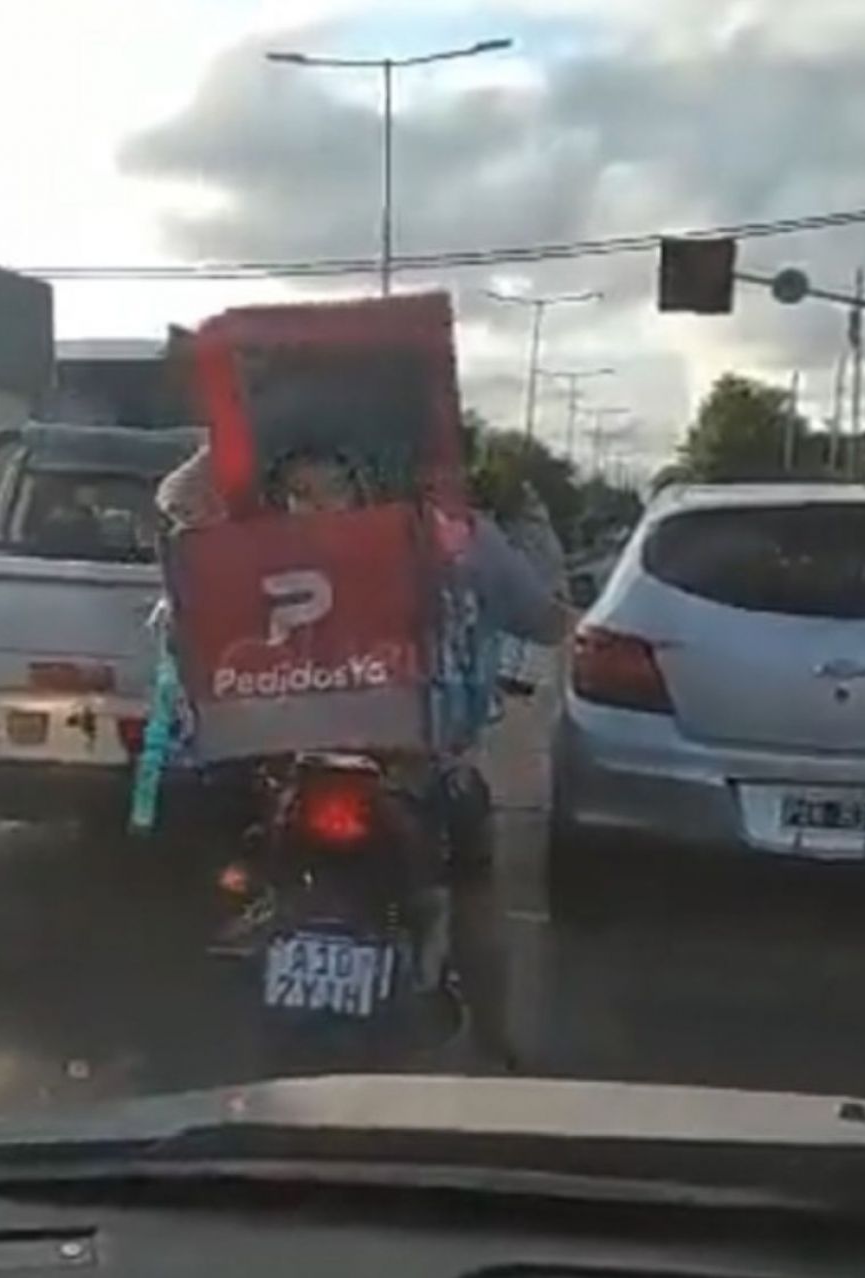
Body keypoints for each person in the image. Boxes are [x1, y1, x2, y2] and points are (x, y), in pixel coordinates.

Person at [156, 441, 568, 1066]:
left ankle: (229, 947)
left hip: (288, 764)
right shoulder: (445, 536)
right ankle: (494, 1038)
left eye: (325, 489)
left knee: (222, 845)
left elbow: (179, 508)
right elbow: (543, 619)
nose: (315, 506)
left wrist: (248, 423)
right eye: (303, 492)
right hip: (404, 768)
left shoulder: (253, 544)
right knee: (473, 881)